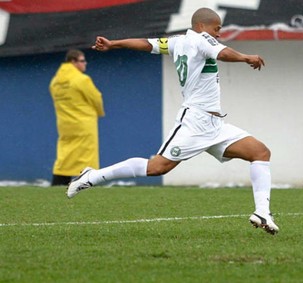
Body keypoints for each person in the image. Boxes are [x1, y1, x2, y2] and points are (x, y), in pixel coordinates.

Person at [67, 7, 279, 235]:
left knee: (260, 152)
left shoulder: (177, 42)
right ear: (201, 26)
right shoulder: (201, 38)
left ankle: (262, 212)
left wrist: (114, 43)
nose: (218, 34)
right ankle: (92, 176)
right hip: (195, 121)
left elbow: (146, 44)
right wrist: (246, 57)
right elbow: (223, 53)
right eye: (217, 28)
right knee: (157, 167)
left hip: (216, 125)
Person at [50, 49, 105, 186]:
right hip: (84, 123)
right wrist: (99, 112)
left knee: (65, 156)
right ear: (73, 62)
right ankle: (85, 185)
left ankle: (58, 183)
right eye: (82, 61)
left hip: (65, 125)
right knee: (87, 157)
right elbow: (96, 98)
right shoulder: (82, 80)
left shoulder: (55, 82)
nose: (85, 64)